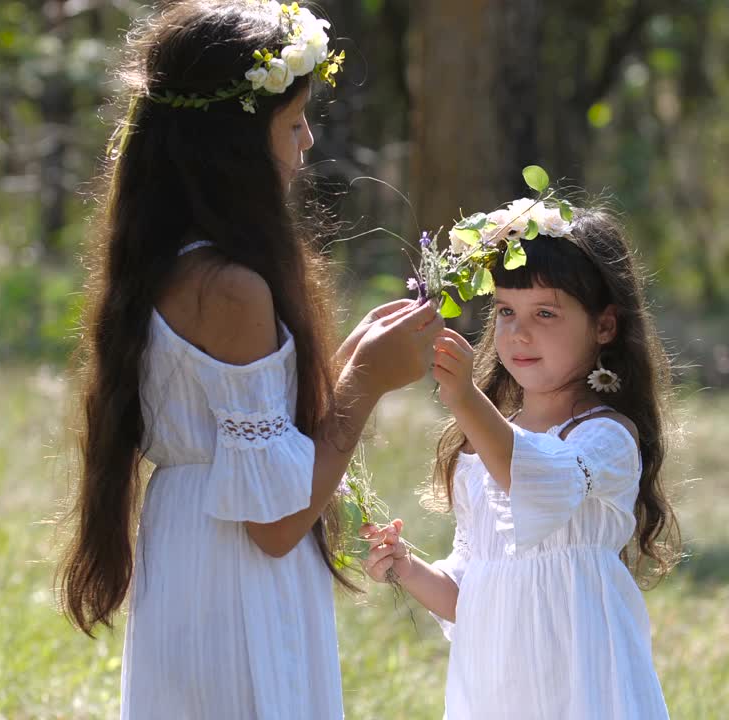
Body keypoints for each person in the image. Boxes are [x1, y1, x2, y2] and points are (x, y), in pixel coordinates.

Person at [55, 2, 442, 717]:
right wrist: (366, 384)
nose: (309, 140)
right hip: (233, 577)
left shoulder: (166, 261)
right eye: (292, 123)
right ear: (233, 145)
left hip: (192, 544)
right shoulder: (229, 289)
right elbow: (274, 523)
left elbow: (259, 449)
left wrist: (352, 353)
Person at [363, 205, 678, 719]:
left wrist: (465, 398)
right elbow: (473, 595)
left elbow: (535, 480)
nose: (518, 332)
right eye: (506, 311)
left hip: (583, 692)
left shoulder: (604, 438)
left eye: (545, 313)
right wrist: (407, 566)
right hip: (495, 695)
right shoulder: (482, 450)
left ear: (604, 326)